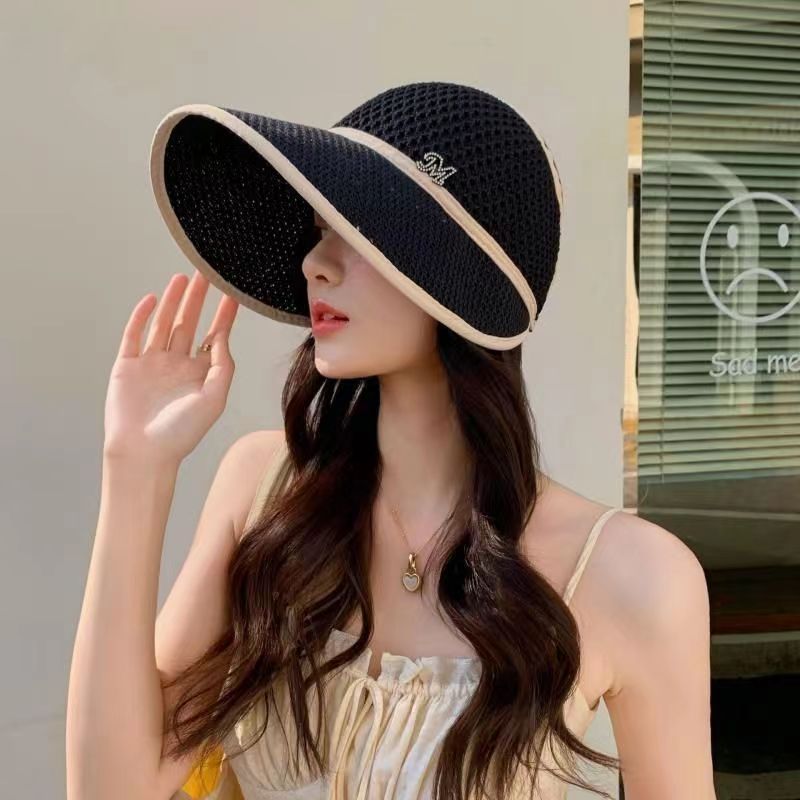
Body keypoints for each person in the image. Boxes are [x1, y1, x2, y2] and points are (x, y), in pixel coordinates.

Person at [67, 82, 716, 800]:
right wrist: (136, 468)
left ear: (457, 276)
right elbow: (111, 789)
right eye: (320, 230)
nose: (316, 264)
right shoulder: (264, 489)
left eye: (358, 231)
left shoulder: (631, 575)